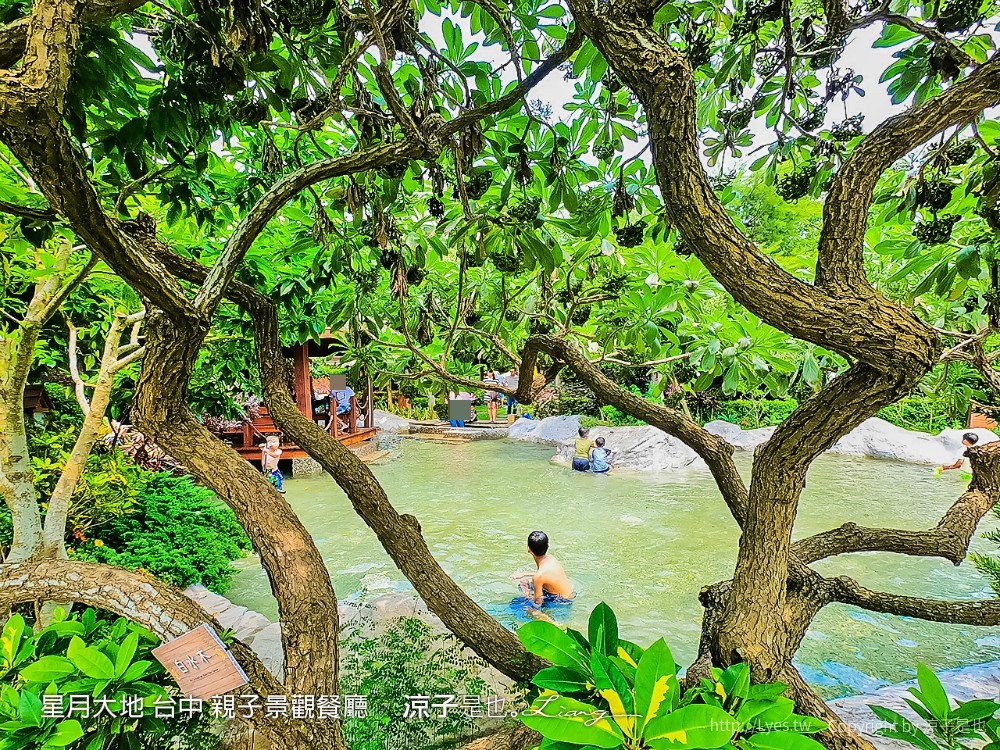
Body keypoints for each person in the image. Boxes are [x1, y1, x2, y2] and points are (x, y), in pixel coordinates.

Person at [510, 531, 575, 610]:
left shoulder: (538, 577)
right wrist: (524, 574)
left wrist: (527, 595)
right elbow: (546, 575)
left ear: (528, 549)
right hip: (570, 595)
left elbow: (538, 602)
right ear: (547, 546)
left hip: (561, 602)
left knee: (515, 604)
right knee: (523, 583)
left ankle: (550, 620)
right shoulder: (552, 559)